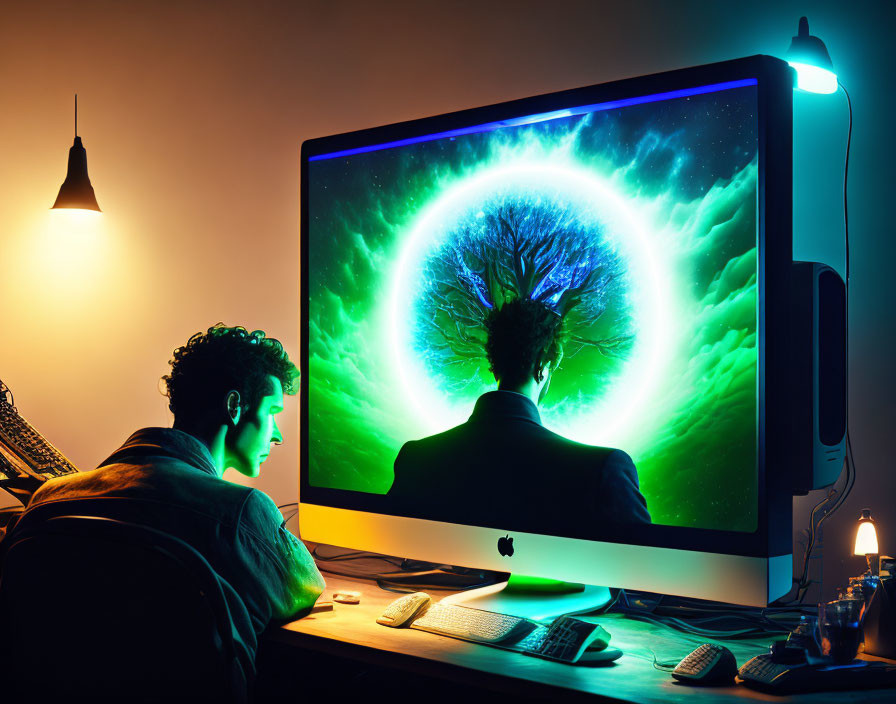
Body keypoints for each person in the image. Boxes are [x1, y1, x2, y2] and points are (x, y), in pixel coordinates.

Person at [1, 324, 324, 691]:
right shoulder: (239, 513)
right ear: (234, 407)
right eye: (272, 412)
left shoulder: (47, 500)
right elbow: (306, 586)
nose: (278, 434)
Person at [389, 298, 651, 535]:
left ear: (495, 365)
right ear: (542, 368)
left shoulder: (415, 459)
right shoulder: (606, 470)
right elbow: (648, 570)